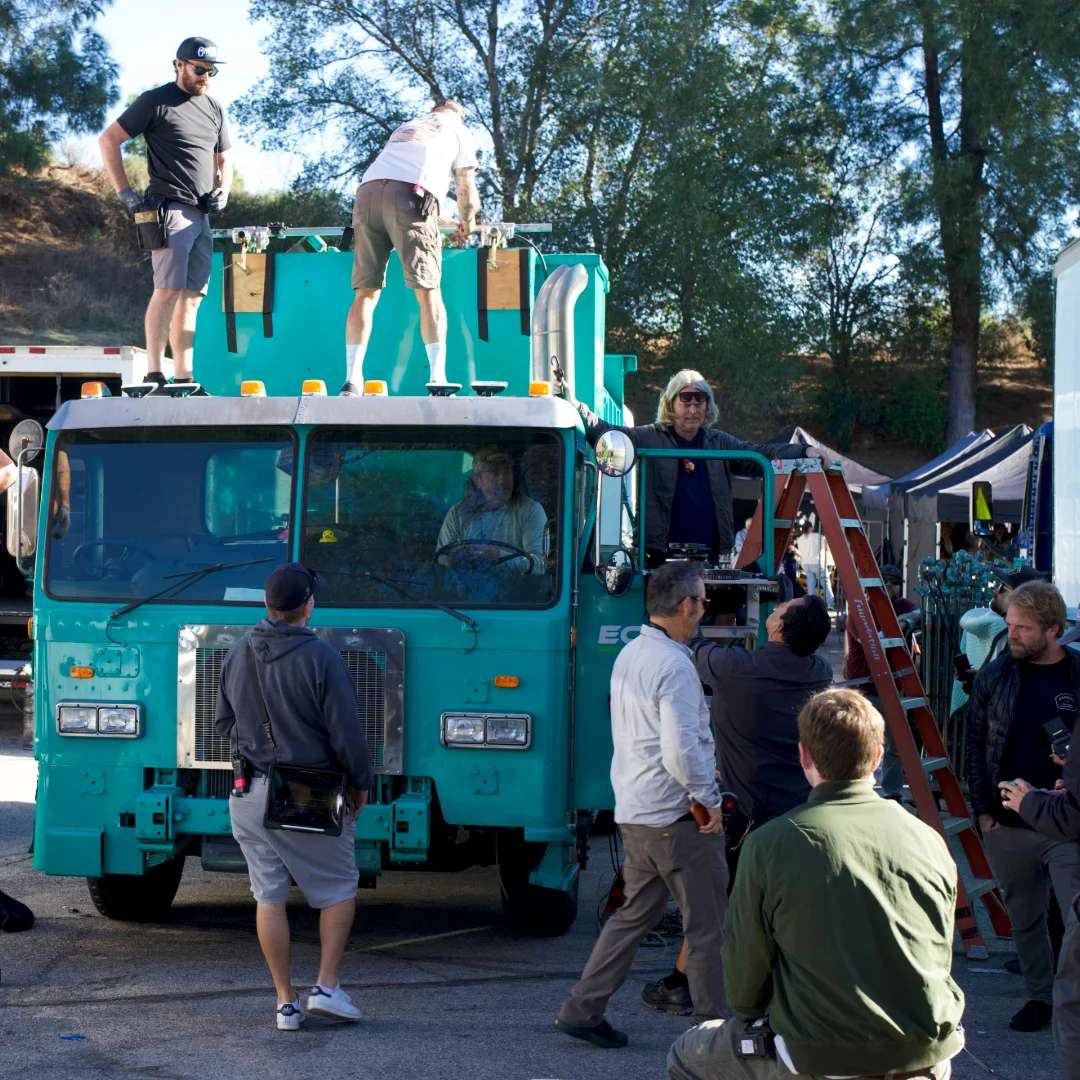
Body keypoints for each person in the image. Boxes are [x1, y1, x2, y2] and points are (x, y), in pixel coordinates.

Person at [667, 688, 965, 1080]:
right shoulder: (928, 839)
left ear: (804, 755)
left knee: (686, 1054)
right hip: (927, 1052)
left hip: (819, 1056)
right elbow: (939, 953)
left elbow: (745, 981)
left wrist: (755, 1015)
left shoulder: (772, 843)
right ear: (877, 757)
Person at [555, 560, 727, 1047]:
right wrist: (708, 798)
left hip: (636, 811)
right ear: (687, 606)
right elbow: (680, 749)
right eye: (702, 602)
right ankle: (710, 1034)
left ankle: (582, 1010)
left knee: (633, 918)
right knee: (708, 924)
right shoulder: (676, 664)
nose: (703, 611)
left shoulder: (631, 653)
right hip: (677, 818)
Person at [642, 595, 833, 1016]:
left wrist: (694, 606)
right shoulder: (819, 670)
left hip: (743, 810)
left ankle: (683, 984)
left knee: (714, 899)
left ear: (780, 628)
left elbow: (690, 645)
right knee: (780, 902)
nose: (776, 605)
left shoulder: (737, 668)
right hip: (797, 810)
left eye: (782, 607)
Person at [215, 563, 374, 1031]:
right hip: (307, 793)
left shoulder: (237, 652)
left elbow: (224, 724)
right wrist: (359, 781)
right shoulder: (323, 658)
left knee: (268, 896)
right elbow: (347, 735)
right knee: (339, 887)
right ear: (308, 607)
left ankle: (286, 1004)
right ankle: (326, 988)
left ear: (266, 605)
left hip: (247, 793)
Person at [965, 579, 1079, 1032]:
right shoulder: (996, 675)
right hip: (1008, 825)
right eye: (1010, 625)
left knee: (1074, 919)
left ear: (1053, 630)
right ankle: (1040, 997)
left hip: (1066, 822)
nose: (1011, 635)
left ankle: (1072, 998)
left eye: (1023, 628)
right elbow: (972, 747)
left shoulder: (1076, 673)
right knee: (1025, 918)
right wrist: (985, 813)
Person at [567, 370, 823, 564]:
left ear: (707, 405)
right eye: (685, 401)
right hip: (659, 557)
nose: (692, 409)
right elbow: (608, 435)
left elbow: (759, 454)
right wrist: (576, 406)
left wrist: (804, 450)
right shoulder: (650, 437)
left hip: (708, 557)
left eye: (699, 401)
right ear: (670, 405)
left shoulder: (719, 442)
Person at [98, 37, 232, 393]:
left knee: (193, 296)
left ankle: (185, 376)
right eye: (199, 69)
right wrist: (125, 193)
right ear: (179, 65)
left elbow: (224, 159)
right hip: (169, 209)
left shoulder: (215, 108)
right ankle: (155, 373)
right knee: (168, 289)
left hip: (202, 215)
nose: (206, 76)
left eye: (211, 71)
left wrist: (225, 189)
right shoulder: (155, 101)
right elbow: (109, 139)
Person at [342, 98, 480, 396]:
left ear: (434, 110)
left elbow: (396, 186)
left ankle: (352, 379)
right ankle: (438, 378)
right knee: (429, 291)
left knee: (365, 293)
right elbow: (465, 187)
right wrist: (467, 221)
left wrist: (442, 219)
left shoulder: (412, 125)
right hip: (410, 197)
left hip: (367, 194)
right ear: (462, 117)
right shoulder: (459, 131)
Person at [1001, 742, 1080, 1079]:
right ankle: (1037, 996)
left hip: (1053, 826)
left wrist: (1029, 802)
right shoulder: (993, 685)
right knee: (1025, 917)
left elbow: (1073, 820)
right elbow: (980, 744)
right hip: (1020, 827)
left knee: (1073, 1005)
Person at [843, 562, 918, 800]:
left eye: (892, 582)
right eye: (883, 581)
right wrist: (903, 625)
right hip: (862, 686)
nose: (887, 586)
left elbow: (919, 614)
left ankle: (892, 792)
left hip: (891, 686)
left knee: (894, 744)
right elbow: (874, 642)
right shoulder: (860, 610)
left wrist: (908, 622)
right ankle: (852, 790)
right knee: (858, 741)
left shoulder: (901, 605)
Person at [436, 447, 547, 574]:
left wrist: (497, 556)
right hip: (466, 588)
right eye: (494, 473)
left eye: (507, 472)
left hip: (517, 591)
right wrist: (455, 557)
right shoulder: (458, 514)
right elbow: (440, 562)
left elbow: (539, 565)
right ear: (478, 480)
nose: (502, 479)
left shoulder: (530, 510)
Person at [794, 521, 833, 607]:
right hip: (818, 562)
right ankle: (830, 603)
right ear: (811, 528)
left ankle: (812, 604)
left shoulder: (800, 539)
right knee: (825, 582)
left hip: (806, 563)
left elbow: (801, 552)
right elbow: (827, 548)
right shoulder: (818, 537)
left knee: (811, 583)